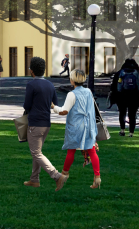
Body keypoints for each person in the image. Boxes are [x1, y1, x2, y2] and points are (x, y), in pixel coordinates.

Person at [22, 57, 66, 190]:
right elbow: (55, 104)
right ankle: (34, 179)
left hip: (35, 122)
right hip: (46, 122)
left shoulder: (31, 85)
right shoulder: (50, 85)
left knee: (36, 153)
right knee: (38, 151)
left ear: (32, 71)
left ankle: (57, 176)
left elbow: (27, 105)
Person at [55, 69, 102, 188]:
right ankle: (97, 177)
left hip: (76, 126)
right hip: (89, 125)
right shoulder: (88, 92)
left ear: (72, 80)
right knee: (92, 151)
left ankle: (64, 174)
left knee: (71, 150)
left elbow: (64, 111)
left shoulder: (72, 94)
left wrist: (53, 107)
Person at [110, 57, 139, 137]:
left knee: (122, 113)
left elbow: (113, 87)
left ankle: (122, 130)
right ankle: (131, 133)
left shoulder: (119, 73)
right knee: (132, 114)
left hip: (121, 96)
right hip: (135, 97)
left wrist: (114, 96)